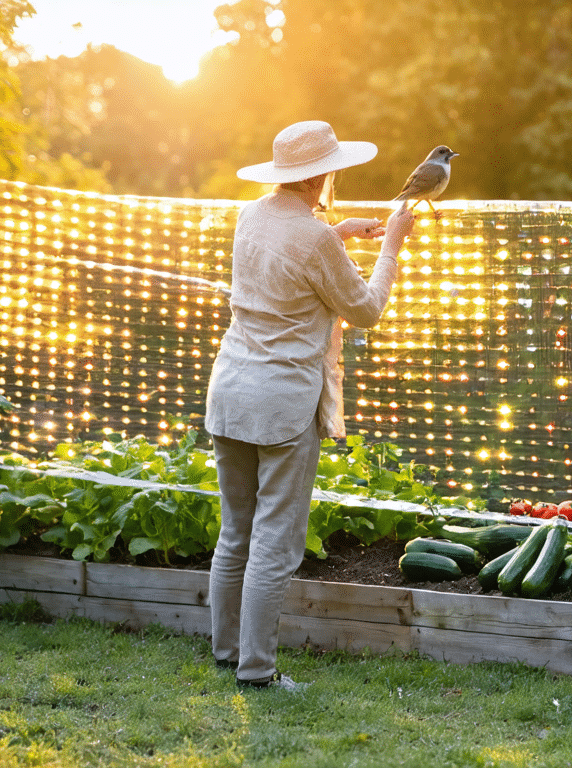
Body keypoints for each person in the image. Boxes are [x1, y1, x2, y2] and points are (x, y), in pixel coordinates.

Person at [205, 120, 414, 689]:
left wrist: (338, 233)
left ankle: (227, 653)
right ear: (324, 173)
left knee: (235, 533)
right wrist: (391, 247)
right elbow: (366, 309)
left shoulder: (250, 215)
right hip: (281, 405)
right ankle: (257, 672)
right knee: (274, 543)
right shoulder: (316, 238)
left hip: (230, 392)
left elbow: (285, 262)